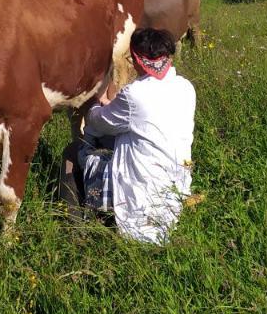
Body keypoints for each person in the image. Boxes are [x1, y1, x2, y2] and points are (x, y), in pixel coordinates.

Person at [59, 27, 196, 244]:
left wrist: (96, 103)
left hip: (139, 195)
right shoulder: (186, 87)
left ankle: (75, 230)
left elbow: (98, 122)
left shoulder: (135, 94)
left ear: (137, 61)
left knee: (72, 152)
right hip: (174, 188)